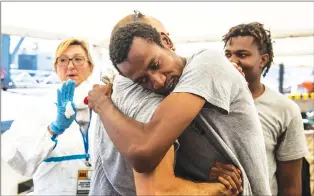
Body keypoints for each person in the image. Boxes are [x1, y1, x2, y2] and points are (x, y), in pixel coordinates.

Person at [88, 19, 271, 195]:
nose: (158, 82)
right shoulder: (162, 97)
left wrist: (103, 105)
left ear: (166, 42)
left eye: (156, 64)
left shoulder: (207, 62)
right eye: (142, 80)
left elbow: (144, 151)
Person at [223, 22, 309, 196]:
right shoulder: (207, 103)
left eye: (242, 54)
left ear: (263, 59)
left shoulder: (284, 110)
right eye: (227, 54)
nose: (232, 61)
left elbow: (291, 185)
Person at [2, 38, 97, 195]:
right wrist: (52, 130)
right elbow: (19, 161)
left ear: (91, 67)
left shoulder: (104, 106)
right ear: (56, 67)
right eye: (63, 60)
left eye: (78, 59)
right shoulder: (39, 108)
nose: (71, 65)